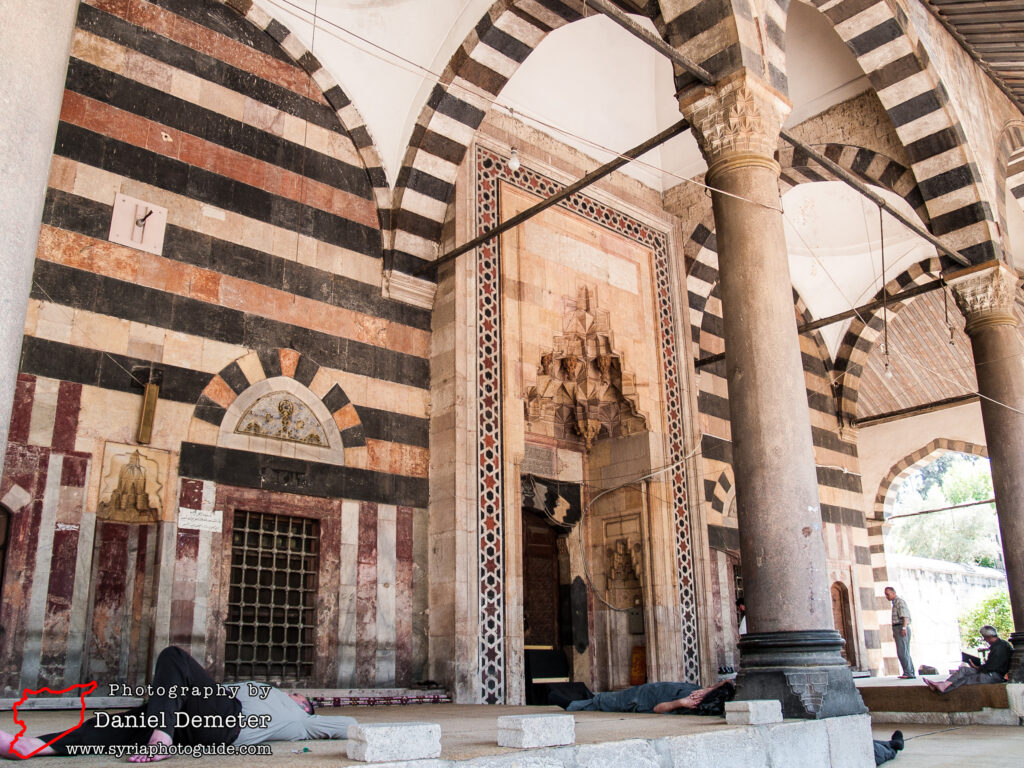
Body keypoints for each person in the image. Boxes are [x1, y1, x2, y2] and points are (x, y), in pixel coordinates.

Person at [0, 646, 356, 761]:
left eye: (302, 697)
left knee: (174, 656)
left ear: (306, 706)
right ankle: (34, 746)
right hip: (195, 717)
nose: (297, 694)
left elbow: (349, 729)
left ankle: (162, 733)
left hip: (230, 721)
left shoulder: (302, 720)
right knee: (118, 724)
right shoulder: (265, 690)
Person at [924, 625, 1013, 694]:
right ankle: (944, 684)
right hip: (988, 671)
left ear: (988, 636)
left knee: (966, 679)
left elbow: (992, 667)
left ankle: (942, 688)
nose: (984, 639)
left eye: (984, 637)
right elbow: (991, 664)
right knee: (964, 671)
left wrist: (978, 668)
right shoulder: (997, 646)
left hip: (993, 675)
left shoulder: (1000, 648)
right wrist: (977, 667)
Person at [884, 586, 915, 679]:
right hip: (899, 628)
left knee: (902, 652)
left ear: (893, 593)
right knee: (905, 651)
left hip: (901, 627)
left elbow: (905, 616)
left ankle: (908, 673)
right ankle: (910, 672)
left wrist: (904, 628)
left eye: (887, 594)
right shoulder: (895, 603)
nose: (886, 596)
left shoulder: (899, 602)